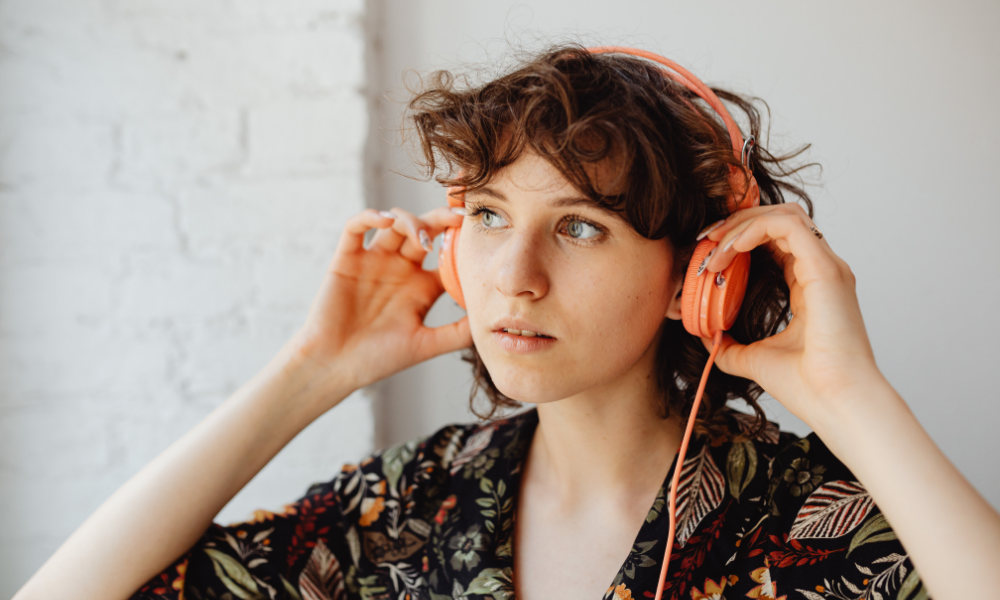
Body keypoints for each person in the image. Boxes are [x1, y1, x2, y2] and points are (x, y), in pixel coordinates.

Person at [13, 42, 999, 600]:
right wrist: (312, 371)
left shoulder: (800, 520)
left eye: (577, 226)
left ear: (696, 273)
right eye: (487, 216)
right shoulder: (413, 505)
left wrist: (851, 398)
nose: (513, 277)